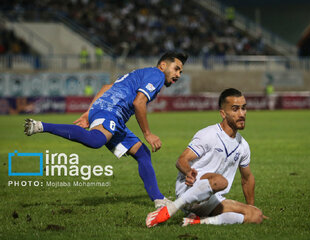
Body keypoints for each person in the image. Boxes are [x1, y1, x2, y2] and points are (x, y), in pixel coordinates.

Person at [24, 51, 188, 207]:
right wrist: (148, 133)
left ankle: (159, 200)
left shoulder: (140, 74)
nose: (178, 75)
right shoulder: (157, 75)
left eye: (181, 71)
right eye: (176, 69)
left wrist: (89, 112)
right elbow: (139, 103)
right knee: (96, 140)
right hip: (112, 110)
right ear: (163, 66)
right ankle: (40, 126)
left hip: (112, 113)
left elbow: (106, 87)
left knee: (142, 153)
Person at [146, 88, 267, 228]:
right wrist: (188, 172)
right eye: (235, 109)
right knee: (221, 181)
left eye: (244, 108)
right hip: (189, 190)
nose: (242, 114)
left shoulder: (243, 146)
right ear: (223, 113)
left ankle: (198, 221)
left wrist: (250, 207)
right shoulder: (208, 134)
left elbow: (247, 179)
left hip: (212, 199)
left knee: (256, 215)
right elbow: (181, 160)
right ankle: (171, 208)